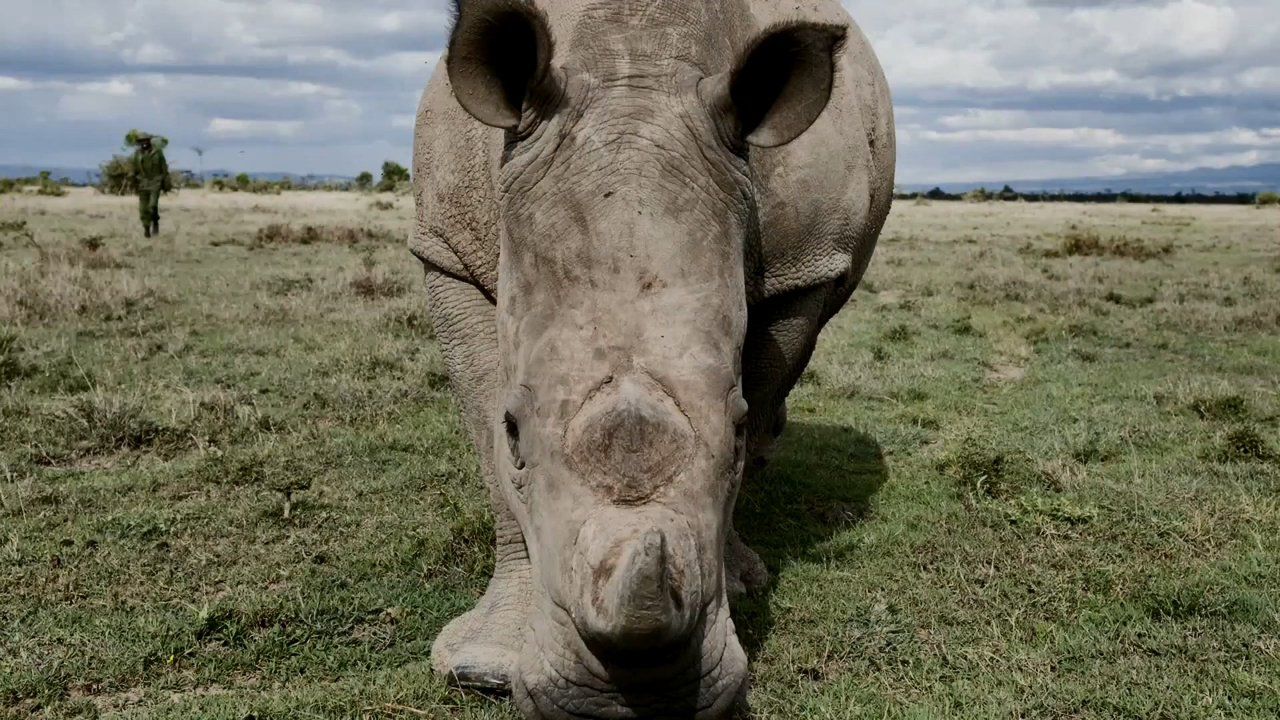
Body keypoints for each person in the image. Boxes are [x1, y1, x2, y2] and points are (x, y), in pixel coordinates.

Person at [133, 133, 171, 237]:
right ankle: (146, 228)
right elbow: (134, 170)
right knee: (143, 209)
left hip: (155, 183)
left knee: (152, 206)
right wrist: (133, 182)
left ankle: (155, 221)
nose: (144, 143)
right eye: (141, 141)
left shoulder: (158, 153)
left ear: (149, 141)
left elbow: (164, 169)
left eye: (146, 140)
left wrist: (166, 183)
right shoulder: (137, 154)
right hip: (142, 184)